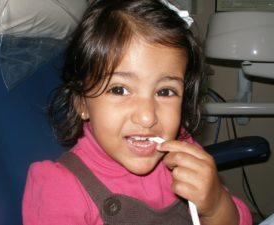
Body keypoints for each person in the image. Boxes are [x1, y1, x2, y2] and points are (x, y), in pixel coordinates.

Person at [22, 0, 252, 224]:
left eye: (165, 92)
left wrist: (216, 206)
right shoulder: (60, 188)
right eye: (120, 89)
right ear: (82, 102)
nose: (147, 117)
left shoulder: (185, 152)